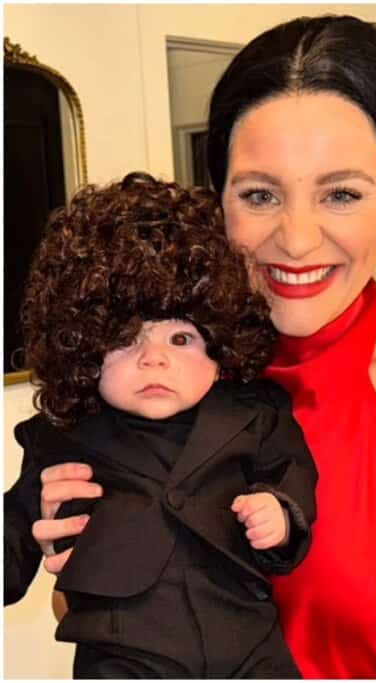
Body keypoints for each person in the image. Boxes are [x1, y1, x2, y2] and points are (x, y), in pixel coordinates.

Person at [26, 15, 376, 679]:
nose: (299, 238)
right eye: (260, 194)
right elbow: (85, 611)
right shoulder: (161, 371)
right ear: (217, 201)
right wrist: (77, 557)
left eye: (341, 193)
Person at [4, 173, 317, 677]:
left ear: (220, 341)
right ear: (81, 345)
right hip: (124, 649)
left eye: (180, 340)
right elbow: (15, 527)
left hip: (247, 641)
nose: (154, 360)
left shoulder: (255, 413)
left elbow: (293, 474)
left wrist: (281, 514)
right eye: (126, 340)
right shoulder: (63, 433)